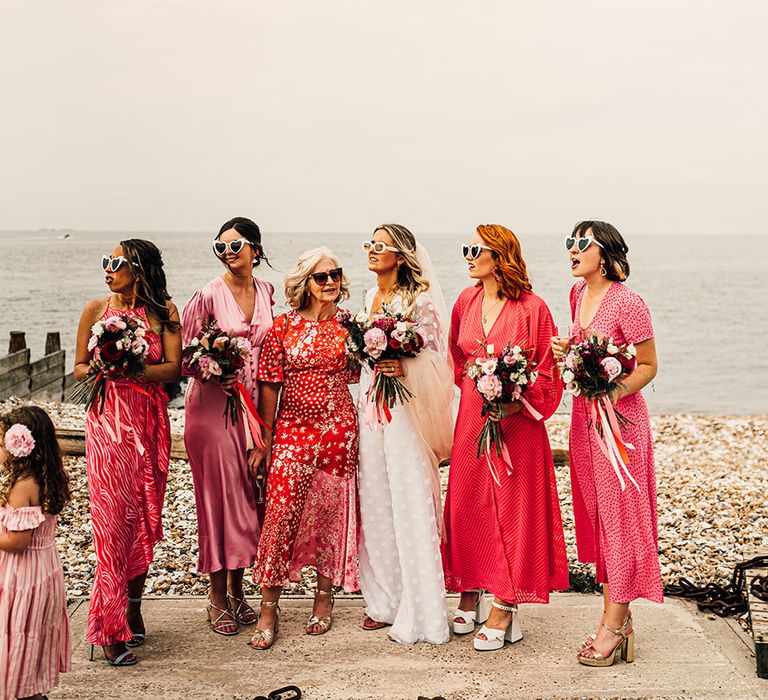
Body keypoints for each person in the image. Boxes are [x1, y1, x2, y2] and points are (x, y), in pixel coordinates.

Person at [442, 224, 569, 652]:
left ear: (500, 256)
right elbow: (458, 358)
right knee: (466, 503)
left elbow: (549, 372)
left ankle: (506, 604)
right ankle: (471, 587)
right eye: (466, 248)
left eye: (475, 249)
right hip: (473, 418)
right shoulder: (465, 300)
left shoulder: (533, 309)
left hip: (518, 424)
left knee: (515, 514)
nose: (467, 255)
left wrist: (515, 403)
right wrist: (479, 391)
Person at [551, 220, 661, 667]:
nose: (572, 250)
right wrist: (568, 350)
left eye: (582, 243)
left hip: (621, 428)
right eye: (570, 242)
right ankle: (617, 616)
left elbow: (649, 365)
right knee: (597, 516)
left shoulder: (629, 303)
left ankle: (612, 627)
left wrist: (613, 392)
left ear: (605, 253)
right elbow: (587, 354)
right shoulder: (577, 295)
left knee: (621, 519)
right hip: (584, 422)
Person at [73, 239, 181, 665]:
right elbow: (80, 367)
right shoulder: (95, 310)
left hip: (149, 422)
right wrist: (105, 367)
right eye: (105, 261)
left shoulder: (163, 312)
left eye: (115, 262)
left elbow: (174, 368)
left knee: (144, 515)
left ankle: (133, 603)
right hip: (108, 423)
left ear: (138, 268)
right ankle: (108, 628)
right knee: (112, 521)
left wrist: (135, 367)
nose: (107, 268)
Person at [250, 248, 360, 650]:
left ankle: (324, 597)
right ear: (305, 284)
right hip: (292, 429)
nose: (330, 281)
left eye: (335, 274)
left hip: (338, 429)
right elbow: (269, 384)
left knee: (331, 510)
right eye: (321, 276)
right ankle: (268, 606)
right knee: (281, 512)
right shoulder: (283, 326)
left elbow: (361, 377)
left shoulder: (352, 327)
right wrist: (265, 437)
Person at [356, 224, 454, 645]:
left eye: (381, 246)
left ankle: (423, 608)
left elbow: (439, 366)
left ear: (400, 255)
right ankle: (384, 600)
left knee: (410, 500)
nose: (372, 251)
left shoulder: (421, 302)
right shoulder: (367, 298)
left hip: (405, 411)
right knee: (375, 497)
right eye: (370, 244)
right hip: (370, 409)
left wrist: (403, 366)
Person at [182, 217, 274, 636]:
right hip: (213, 410)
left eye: (235, 246)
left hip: (256, 408)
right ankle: (216, 596)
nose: (228, 254)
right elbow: (182, 358)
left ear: (255, 248)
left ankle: (239, 591)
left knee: (252, 497)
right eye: (220, 248)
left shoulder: (269, 291)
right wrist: (210, 369)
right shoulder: (205, 296)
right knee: (220, 502)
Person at [0, 406, 71, 700]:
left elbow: (17, 543)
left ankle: (19, 690)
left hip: (23, 576)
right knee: (30, 633)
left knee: (16, 631)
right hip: (44, 570)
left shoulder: (23, 486)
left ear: (18, 446)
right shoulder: (46, 477)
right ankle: (30, 689)